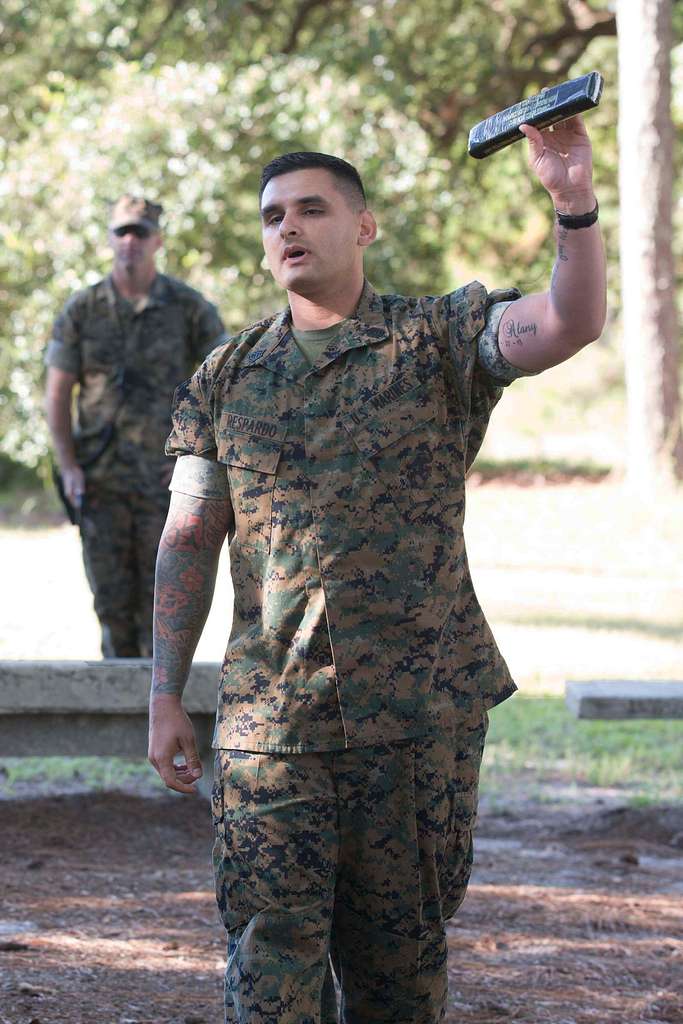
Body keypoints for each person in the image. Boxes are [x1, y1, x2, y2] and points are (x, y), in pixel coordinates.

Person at [148, 119, 605, 1023]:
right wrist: (165, 691)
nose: (289, 228)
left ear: (362, 226)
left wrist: (572, 207)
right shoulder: (226, 375)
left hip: (415, 725)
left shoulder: (435, 339)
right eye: (274, 214)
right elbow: (189, 534)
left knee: (399, 972)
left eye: (312, 209)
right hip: (271, 730)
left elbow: (567, 322)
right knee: (268, 968)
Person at [44, 196, 225, 658]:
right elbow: (58, 393)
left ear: (157, 240)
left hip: (166, 484)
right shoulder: (83, 310)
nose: (130, 241)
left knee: (164, 605)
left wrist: (197, 457)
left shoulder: (188, 307)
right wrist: (68, 466)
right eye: (122, 231)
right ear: (109, 238)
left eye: (140, 232)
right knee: (111, 605)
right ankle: (118, 719)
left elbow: (224, 382)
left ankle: (158, 715)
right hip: (100, 484)